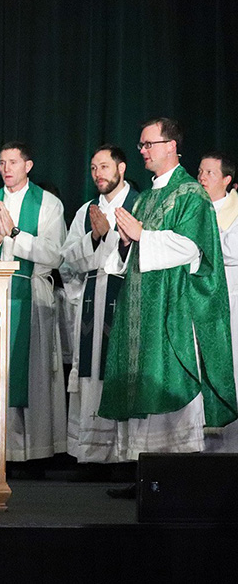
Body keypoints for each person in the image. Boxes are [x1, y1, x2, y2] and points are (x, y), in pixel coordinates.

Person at [100, 119, 236, 481]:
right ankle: (144, 474)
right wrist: (127, 242)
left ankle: (176, 476)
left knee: (169, 377)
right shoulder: (146, 197)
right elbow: (126, 250)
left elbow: (193, 247)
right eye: (141, 145)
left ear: (172, 145)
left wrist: (143, 235)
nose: (142, 150)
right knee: (143, 379)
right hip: (141, 300)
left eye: (149, 144)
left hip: (172, 301)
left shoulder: (191, 194)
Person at [0, 141, 67, 463]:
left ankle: (35, 453)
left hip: (31, 295)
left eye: (13, 162)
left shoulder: (48, 204)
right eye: (1, 163)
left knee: (33, 377)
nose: (6, 169)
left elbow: (55, 254)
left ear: (28, 165)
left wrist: (14, 234)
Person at [61, 145, 137, 463]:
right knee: (92, 375)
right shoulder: (86, 210)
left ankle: (123, 458)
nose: (98, 174)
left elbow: (144, 253)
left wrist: (108, 237)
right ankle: (92, 453)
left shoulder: (139, 204)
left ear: (121, 168)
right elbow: (67, 259)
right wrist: (95, 237)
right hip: (94, 299)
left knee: (121, 373)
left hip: (128, 299)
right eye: (93, 168)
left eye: (104, 167)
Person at [194, 150, 238, 452]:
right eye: (200, 172)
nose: (202, 178)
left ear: (227, 179)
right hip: (196, 301)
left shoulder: (234, 212)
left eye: (209, 173)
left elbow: (231, 251)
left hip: (230, 301)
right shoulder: (195, 209)